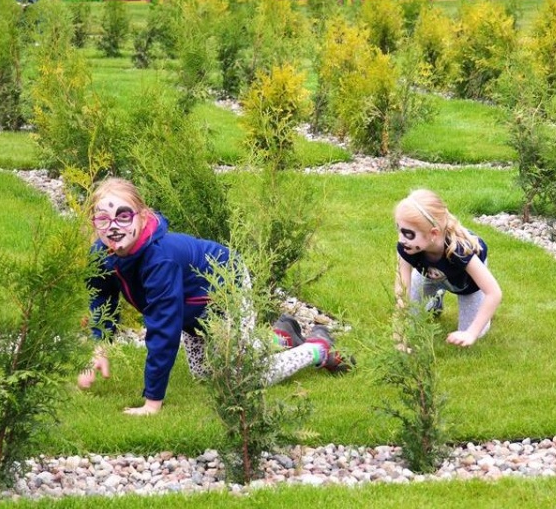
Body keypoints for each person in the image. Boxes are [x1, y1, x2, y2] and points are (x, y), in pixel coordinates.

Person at [77, 178, 354, 415]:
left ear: (143, 215)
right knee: (204, 374)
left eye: (123, 216)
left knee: (245, 377)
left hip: (225, 289)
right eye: (102, 219)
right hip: (191, 302)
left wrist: (152, 402)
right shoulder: (102, 254)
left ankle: (318, 348)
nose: (113, 227)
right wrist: (98, 349)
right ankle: (280, 338)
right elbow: (103, 300)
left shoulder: (160, 260)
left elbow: (163, 331)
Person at [394, 189, 502, 347]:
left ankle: (446, 296)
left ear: (433, 233)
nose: (401, 240)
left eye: (408, 234)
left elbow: (494, 293)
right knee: (413, 321)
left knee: (474, 332)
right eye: (399, 230)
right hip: (430, 275)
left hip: (465, 283)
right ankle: (436, 296)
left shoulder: (461, 251)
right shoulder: (407, 247)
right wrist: (399, 341)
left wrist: (471, 333)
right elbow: (401, 295)